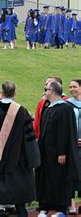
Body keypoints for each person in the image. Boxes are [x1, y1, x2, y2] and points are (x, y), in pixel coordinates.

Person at [0, 82, 39, 217]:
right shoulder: (22, 112)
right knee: (19, 195)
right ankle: (21, 211)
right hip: (18, 160)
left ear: (2, 93)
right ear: (14, 93)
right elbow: (30, 139)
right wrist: (33, 159)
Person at [36, 81, 78, 216]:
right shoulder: (48, 108)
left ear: (53, 91)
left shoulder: (64, 109)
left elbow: (64, 132)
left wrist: (62, 152)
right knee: (46, 177)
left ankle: (61, 208)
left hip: (58, 153)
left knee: (59, 178)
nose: (45, 92)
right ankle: (45, 206)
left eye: (46, 89)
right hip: (46, 152)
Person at [67, 79, 81, 214]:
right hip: (71, 146)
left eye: (75, 87)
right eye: (70, 87)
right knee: (70, 174)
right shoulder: (67, 105)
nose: (72, 89)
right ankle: (71, 204)